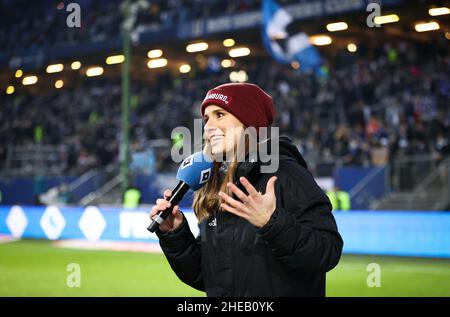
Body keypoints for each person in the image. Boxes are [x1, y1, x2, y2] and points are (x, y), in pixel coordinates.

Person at [150, 83, 343, 297]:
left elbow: (328, 252)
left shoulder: (286, 173)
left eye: (220, 114)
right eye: (206, 119)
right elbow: (209, 277)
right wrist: (176, 234)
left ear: (249, 122)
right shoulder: (216, 183)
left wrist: (273, 223)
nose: (208, 127)